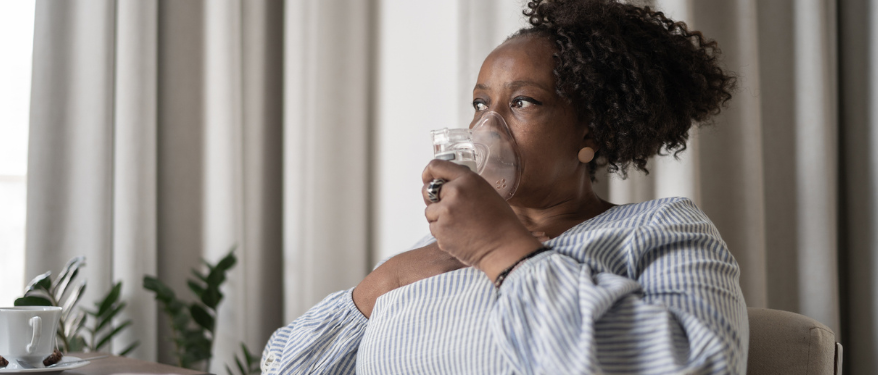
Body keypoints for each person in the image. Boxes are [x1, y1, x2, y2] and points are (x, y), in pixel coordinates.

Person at [263, 0, 747, 373]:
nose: (486, 125)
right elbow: (284, 366)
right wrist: (385, 282)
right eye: (479, 103)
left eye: (523, 102)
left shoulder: (657, 228)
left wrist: (501, 250)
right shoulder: (429, 252)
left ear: (594, 131)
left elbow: (698, 363)